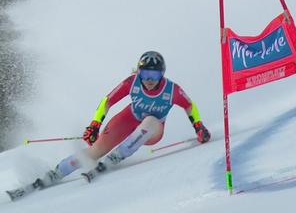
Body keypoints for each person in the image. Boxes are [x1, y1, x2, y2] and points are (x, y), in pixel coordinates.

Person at [38, 51, 211, 187]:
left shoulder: (171, 90)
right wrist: (95, 125)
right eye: (145, 74)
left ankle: (117, 155)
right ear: (139, 73)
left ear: (162, 75)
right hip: (128, 119)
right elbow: (107, 101)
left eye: (154, 75)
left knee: (150, 121)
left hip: (153, 130)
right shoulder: (132, 82)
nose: (149, 80)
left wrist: (199, 127)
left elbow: (189, 105)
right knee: (95, 151)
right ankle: (58, 172)